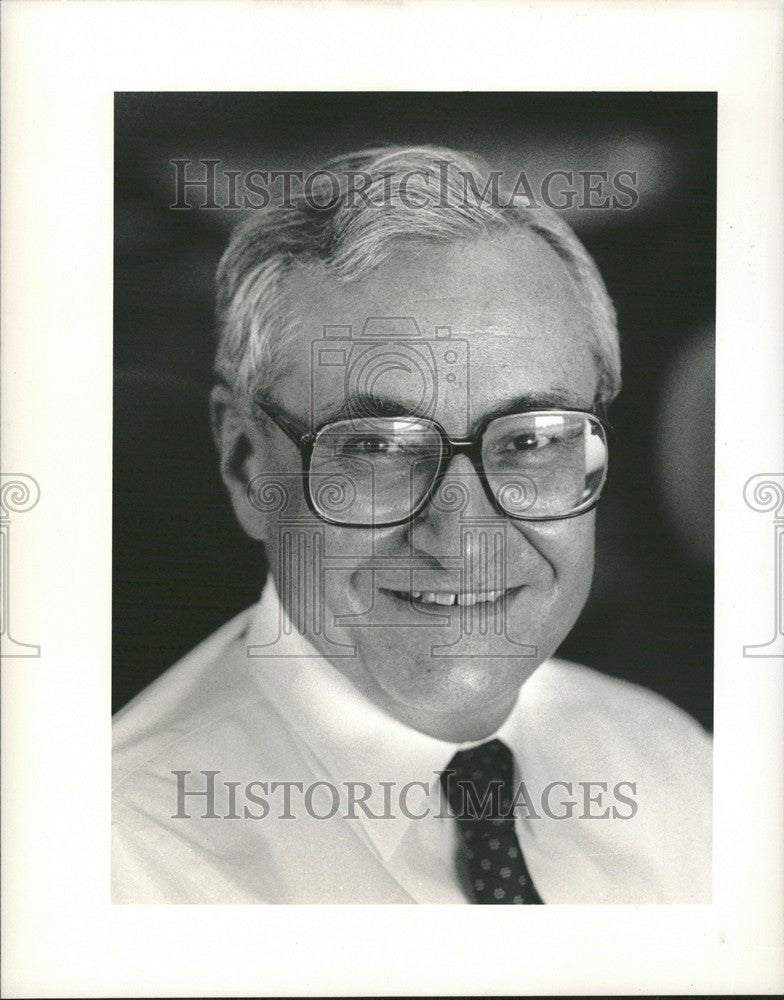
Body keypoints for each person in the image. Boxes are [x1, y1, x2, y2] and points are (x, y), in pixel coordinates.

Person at [112, 146, 711, 904]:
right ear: (245, 463)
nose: (464, 540)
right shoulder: (123, 866)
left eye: (530, 441)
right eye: (375, 448)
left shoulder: (673, 763)